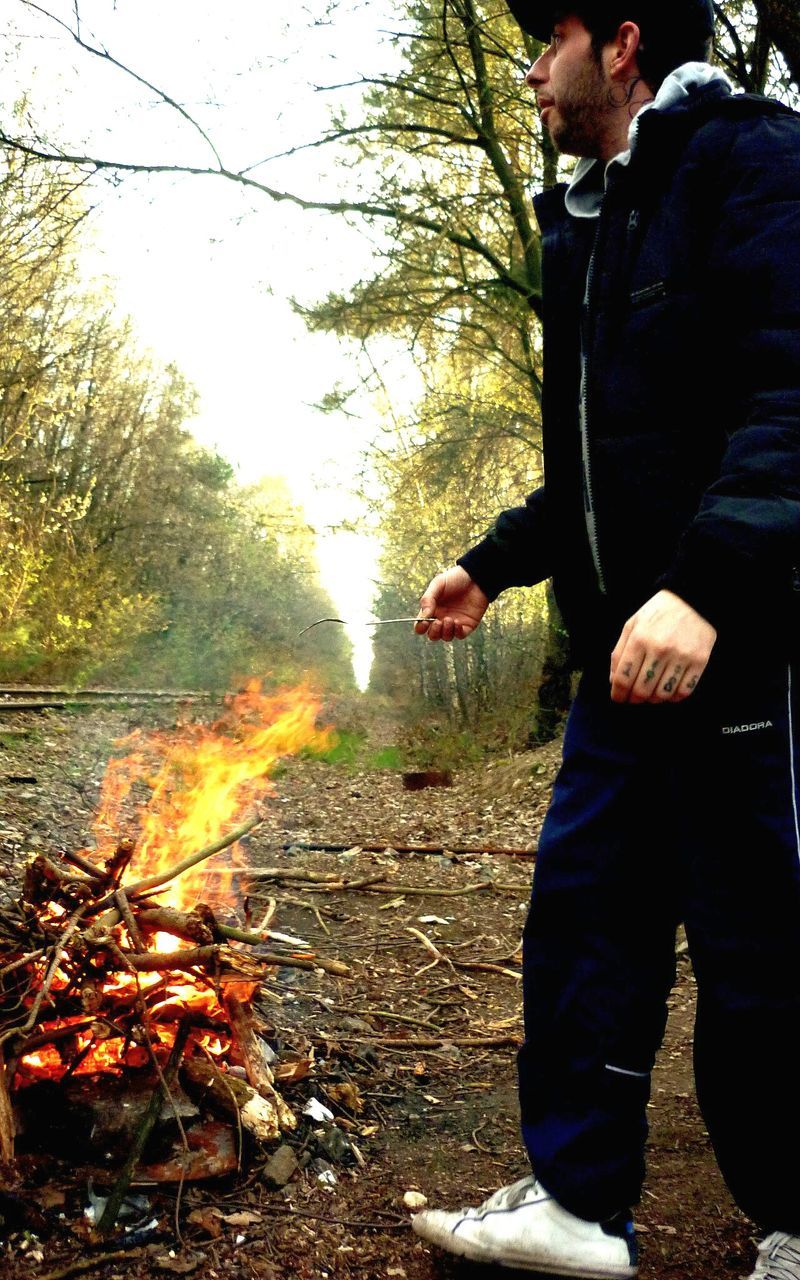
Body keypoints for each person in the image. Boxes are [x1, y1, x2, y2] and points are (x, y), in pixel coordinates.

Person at [410, 3, 800, 1278]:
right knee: (584, 922)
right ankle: (578, 1203)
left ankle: (797, 1222)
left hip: (745, 646)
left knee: (762, 951)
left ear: (619, 45)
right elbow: (600, 467)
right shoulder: (589, 216)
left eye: (548, 37)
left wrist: (704, 588)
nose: (529, 67)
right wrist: (490, 560)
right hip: (622, 662)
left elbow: (791, 389)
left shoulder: (752, 160)